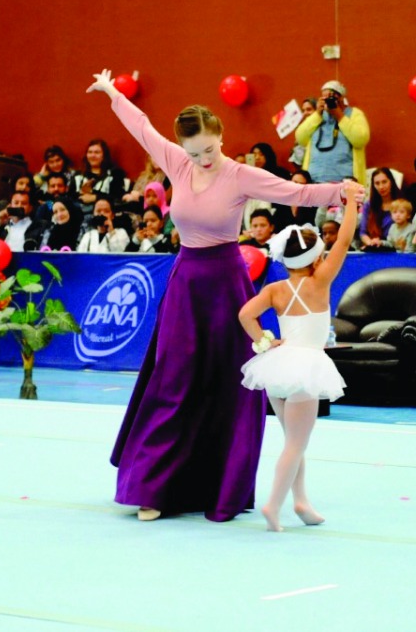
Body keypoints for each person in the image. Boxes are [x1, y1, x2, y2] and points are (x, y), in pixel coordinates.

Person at [89, 68, 364, 522]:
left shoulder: (240, 175)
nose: (203, 159)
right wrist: (112, 92)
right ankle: (155, 487)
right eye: (194, 152)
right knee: (174, 380)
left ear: (221, 136)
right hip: (186, 283)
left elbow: (294, 191)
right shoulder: (177, 161)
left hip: (226, 284)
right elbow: (142, 127)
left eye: (210, 149)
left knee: (227, 386)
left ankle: (222, 487)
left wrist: (341, 191)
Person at [237, 201, 358, 532]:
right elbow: (344, 241)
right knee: (296, 444)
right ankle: (273, 505)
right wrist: (352, 205)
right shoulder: (320, 281)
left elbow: (245, 314)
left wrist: (263, 342)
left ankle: (301, 501)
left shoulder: (275, 289)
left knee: (294, 440)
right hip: (305, 368)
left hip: (278, 366)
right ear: (317, 257)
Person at [294, 79, 369, 184]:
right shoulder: (318, 116)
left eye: (331, 97)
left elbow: (361, 139)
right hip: (314, 181)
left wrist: (339, 115)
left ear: (342, 98)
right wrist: (317, 114)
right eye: (324, 98)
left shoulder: (354, 114)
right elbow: (300, 138)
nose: (327, 101)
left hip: (344, 182)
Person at [74, 138, 127, 212]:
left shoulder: (115, 173)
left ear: (104, 155)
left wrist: (95, 197)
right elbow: (69, 198)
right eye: (90, 152)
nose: (93, 155)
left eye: (97, 152)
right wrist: (81, 194)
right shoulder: (78, 176)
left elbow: (118, 197)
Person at [359, 167, 400, 249]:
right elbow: (362, 233)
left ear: (391, 182)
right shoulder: (369, 205)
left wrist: (382, 243)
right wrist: (371, 243)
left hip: (395, 248)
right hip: (374, 247)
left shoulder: (402, 203)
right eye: (377, 183)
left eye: (384, 182)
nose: (381, 187)